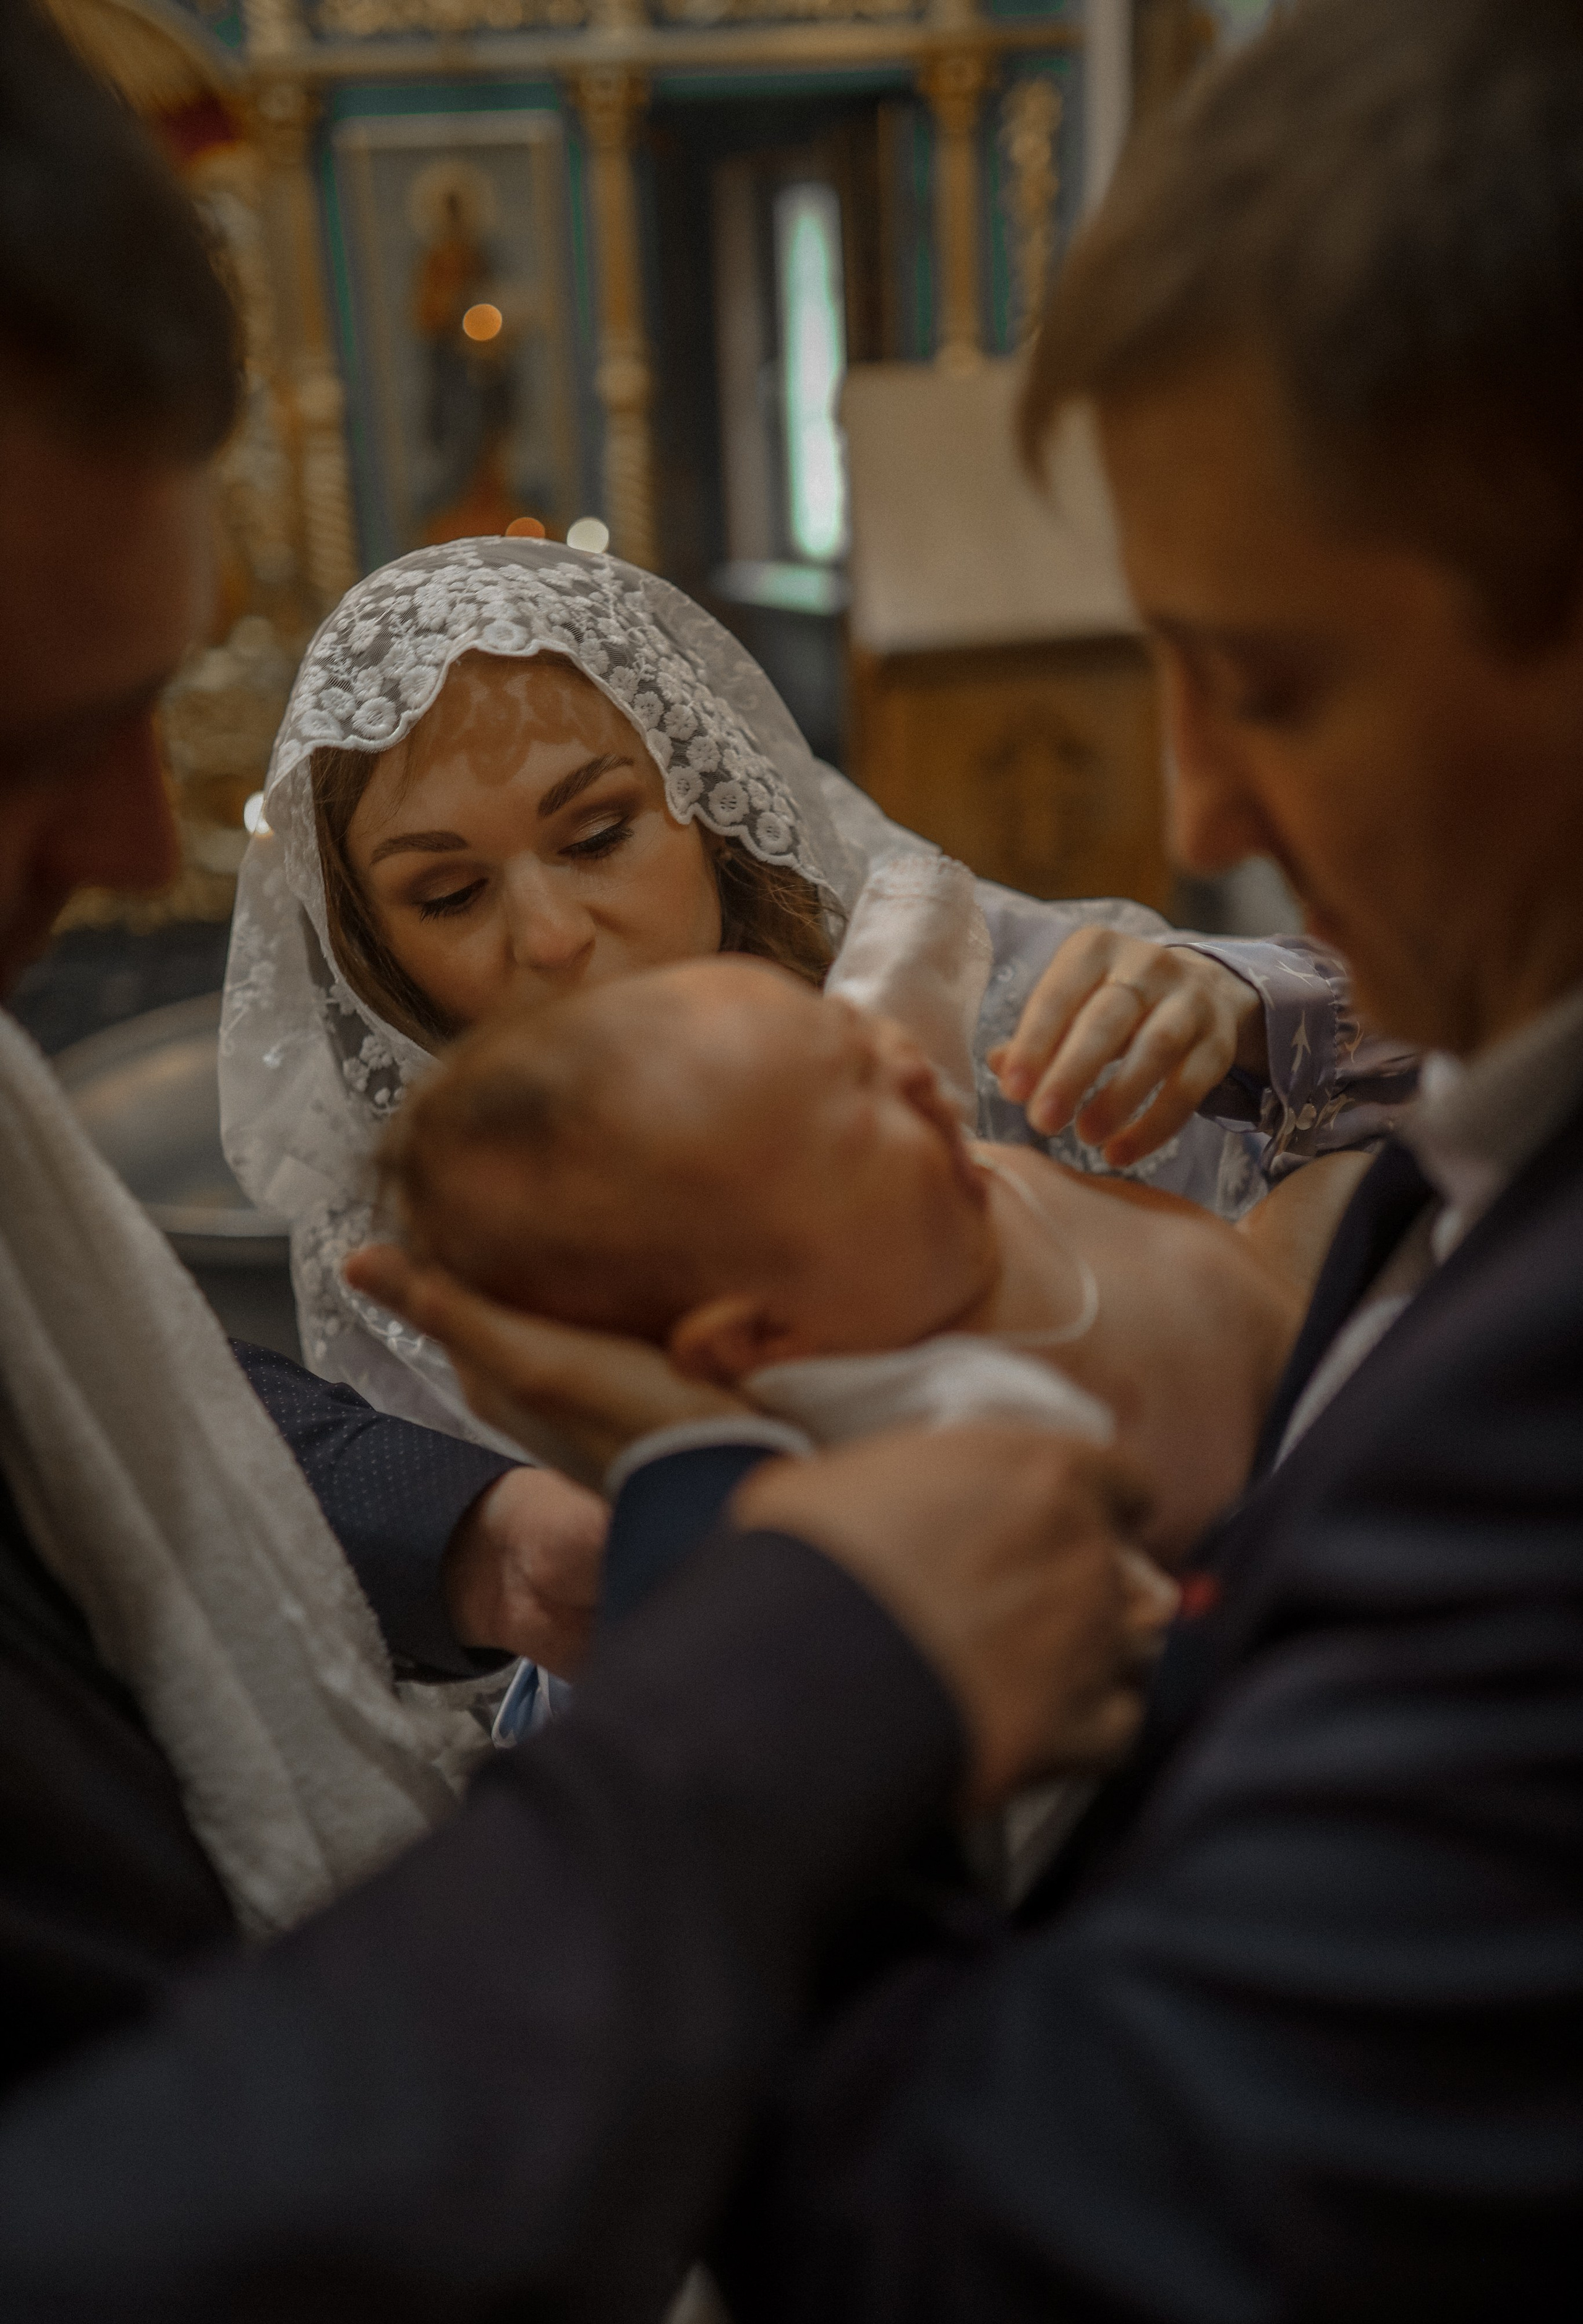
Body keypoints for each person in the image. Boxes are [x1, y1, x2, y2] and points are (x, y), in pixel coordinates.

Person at [351, 0, 1583, 2324]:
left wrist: (728, 1518)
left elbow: (995, 2268)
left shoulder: (954, 1005)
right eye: (447, 892)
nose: (1195, 797)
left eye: (1272, 678)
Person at [220, 532, 1413, 1696]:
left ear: (703, 798)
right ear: (378, 957)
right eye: (451, 893)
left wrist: (1239, 1009)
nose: (550, 937)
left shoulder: (917, 975)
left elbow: (1463, 1050)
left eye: (598, 835)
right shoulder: (440, 1262)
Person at [379, 951, 1367, 1563]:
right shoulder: (948, 1425)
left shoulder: (913, 1206)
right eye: (860, 1100)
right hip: (1317, 1497)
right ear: (762, 1333)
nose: (908, 1067)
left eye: (851, 1035)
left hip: (1314, 1329)